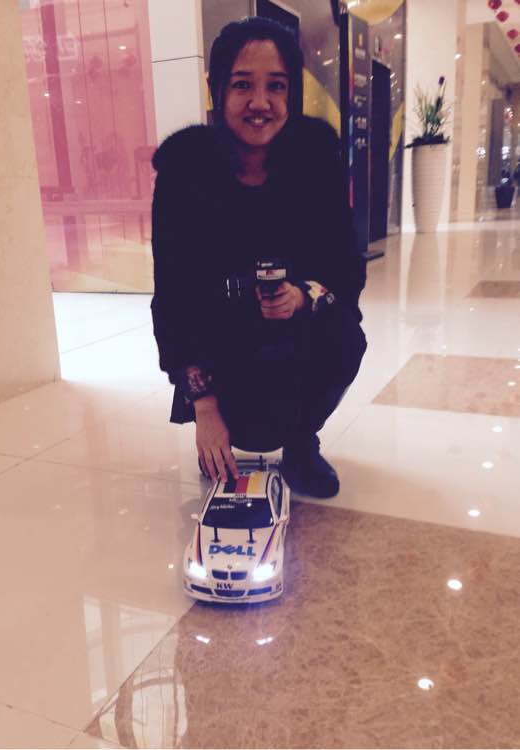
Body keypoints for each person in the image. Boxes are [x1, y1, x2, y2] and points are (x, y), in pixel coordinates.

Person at [150, 17, 367, 498]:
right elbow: (173, 299)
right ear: (218, 90)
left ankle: (301, 443)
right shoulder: (184, 171)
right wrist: (204, 407)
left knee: (346, 334)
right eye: (243, 85)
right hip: (221, 346)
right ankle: (222, 434)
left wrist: (303, 296)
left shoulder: (316, 160)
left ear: (293, 94)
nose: (261, 102)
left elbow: (346, 268)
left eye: (277, 86)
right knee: (242, 417)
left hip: (294, 337)